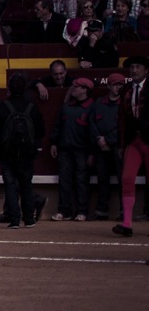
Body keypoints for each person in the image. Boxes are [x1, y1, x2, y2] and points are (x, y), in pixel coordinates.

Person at [0, 72, 44, 230]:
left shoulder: (1, 107)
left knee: (10, 185)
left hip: (7, 152)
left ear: (9, 88)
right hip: (27, 152)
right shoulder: (32, 107)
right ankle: (29, 219)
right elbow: (40, 131)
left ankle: (14, 220)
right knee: (26, 184)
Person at [50, 78, 93, 223]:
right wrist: (54, 143)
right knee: (65, 180)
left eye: (77, 87)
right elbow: (58, 126)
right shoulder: (67, 107)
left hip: (83, 150)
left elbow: (94, 131)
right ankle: (64, 211)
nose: (73, 89)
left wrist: (92, 152)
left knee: (81, 180)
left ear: (85, 89)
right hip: (65, 148)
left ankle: (82, 211)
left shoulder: (91, 107)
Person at [115, 57, 149, 237]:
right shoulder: (126, 90)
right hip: (133, 141)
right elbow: (121, 119)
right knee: (127, 178)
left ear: (146, 70)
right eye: (132, 67)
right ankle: (127, 223)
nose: (134, 70)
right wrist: (122, 144)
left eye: (138, 67)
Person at [89, 74, 123, 221]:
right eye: (115, 84)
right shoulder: (98, 103)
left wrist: (108, 140)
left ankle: (124, 211)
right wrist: (99, 140)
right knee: (102, 179)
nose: (118, 87)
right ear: (108, 86)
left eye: (120, 85)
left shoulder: (124, 104)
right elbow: (91, 123)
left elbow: (123, 128)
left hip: (118, 147)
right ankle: (102, 211)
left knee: (123, 179)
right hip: (100, 146)